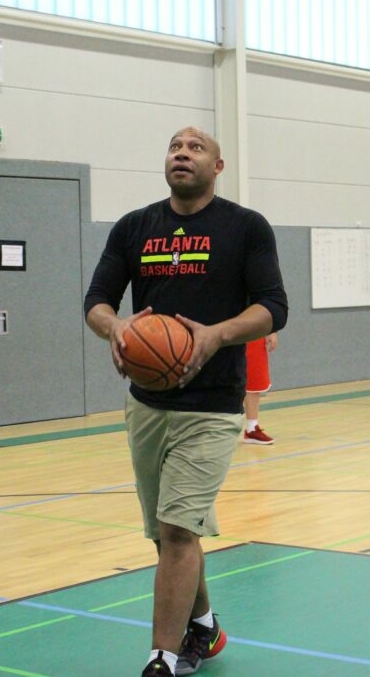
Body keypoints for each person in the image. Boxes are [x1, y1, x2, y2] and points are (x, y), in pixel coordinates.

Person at [83, 126, 288, 677]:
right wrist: (116, 327)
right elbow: (97, 301)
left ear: (217, 167)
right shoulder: (134, 227)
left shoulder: (245, 227)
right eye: (175, 146)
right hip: (147, 405)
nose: (182, 152)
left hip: (212, 406)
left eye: (196, 148)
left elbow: (273, 307)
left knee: (177, 530)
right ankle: (204, 627)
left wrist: (217, 334)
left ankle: (162, 658)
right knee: (167, 531)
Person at [243, 332, 278, 444]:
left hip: (252, 333)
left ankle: (252, 429)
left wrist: (272, 331)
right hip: (222, 329)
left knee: (254, 380)